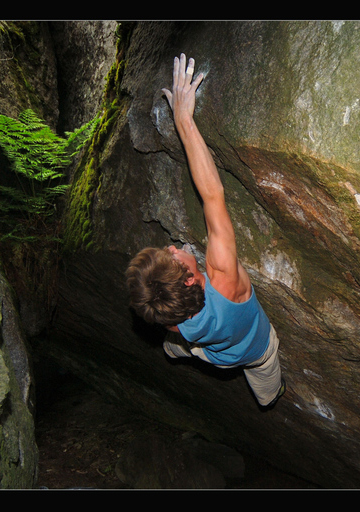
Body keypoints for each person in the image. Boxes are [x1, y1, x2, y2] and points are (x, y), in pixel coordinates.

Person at [126, 54, 285, 408]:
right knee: (266, 387)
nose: (171, 248)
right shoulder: (224, 279)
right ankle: (272, 395)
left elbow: (157, 297)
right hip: (253, 351)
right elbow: (213, 194)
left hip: (208, 352)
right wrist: (184, 119)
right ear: (188, 281)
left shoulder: (167, 317)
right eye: (172, 255)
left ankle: (174, 352)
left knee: (181, 346)